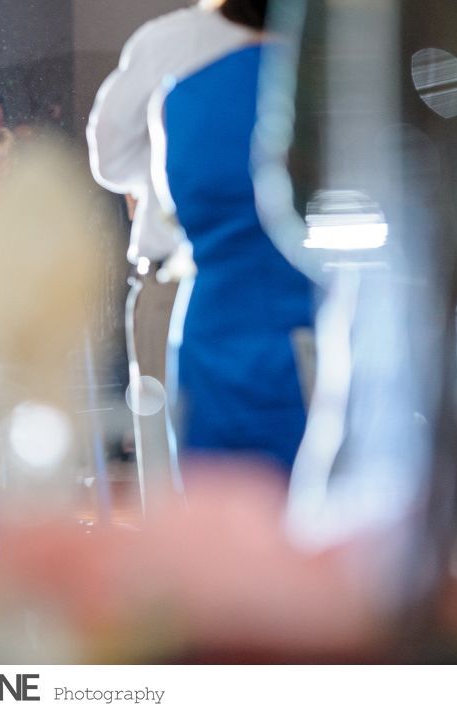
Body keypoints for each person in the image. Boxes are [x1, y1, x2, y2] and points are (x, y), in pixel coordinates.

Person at [88, 0, 261, 500]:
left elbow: (111, 156)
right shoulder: (307, 41)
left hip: (178, 282)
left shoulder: (171, 39)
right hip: (290, 286)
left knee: (173, 476)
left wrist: (169, 166)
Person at [152, 0, 315, 474]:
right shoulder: (330, 89)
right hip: (308, 330)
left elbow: (175, 214)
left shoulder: (177, 97)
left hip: (210, 334)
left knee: (222, 527)